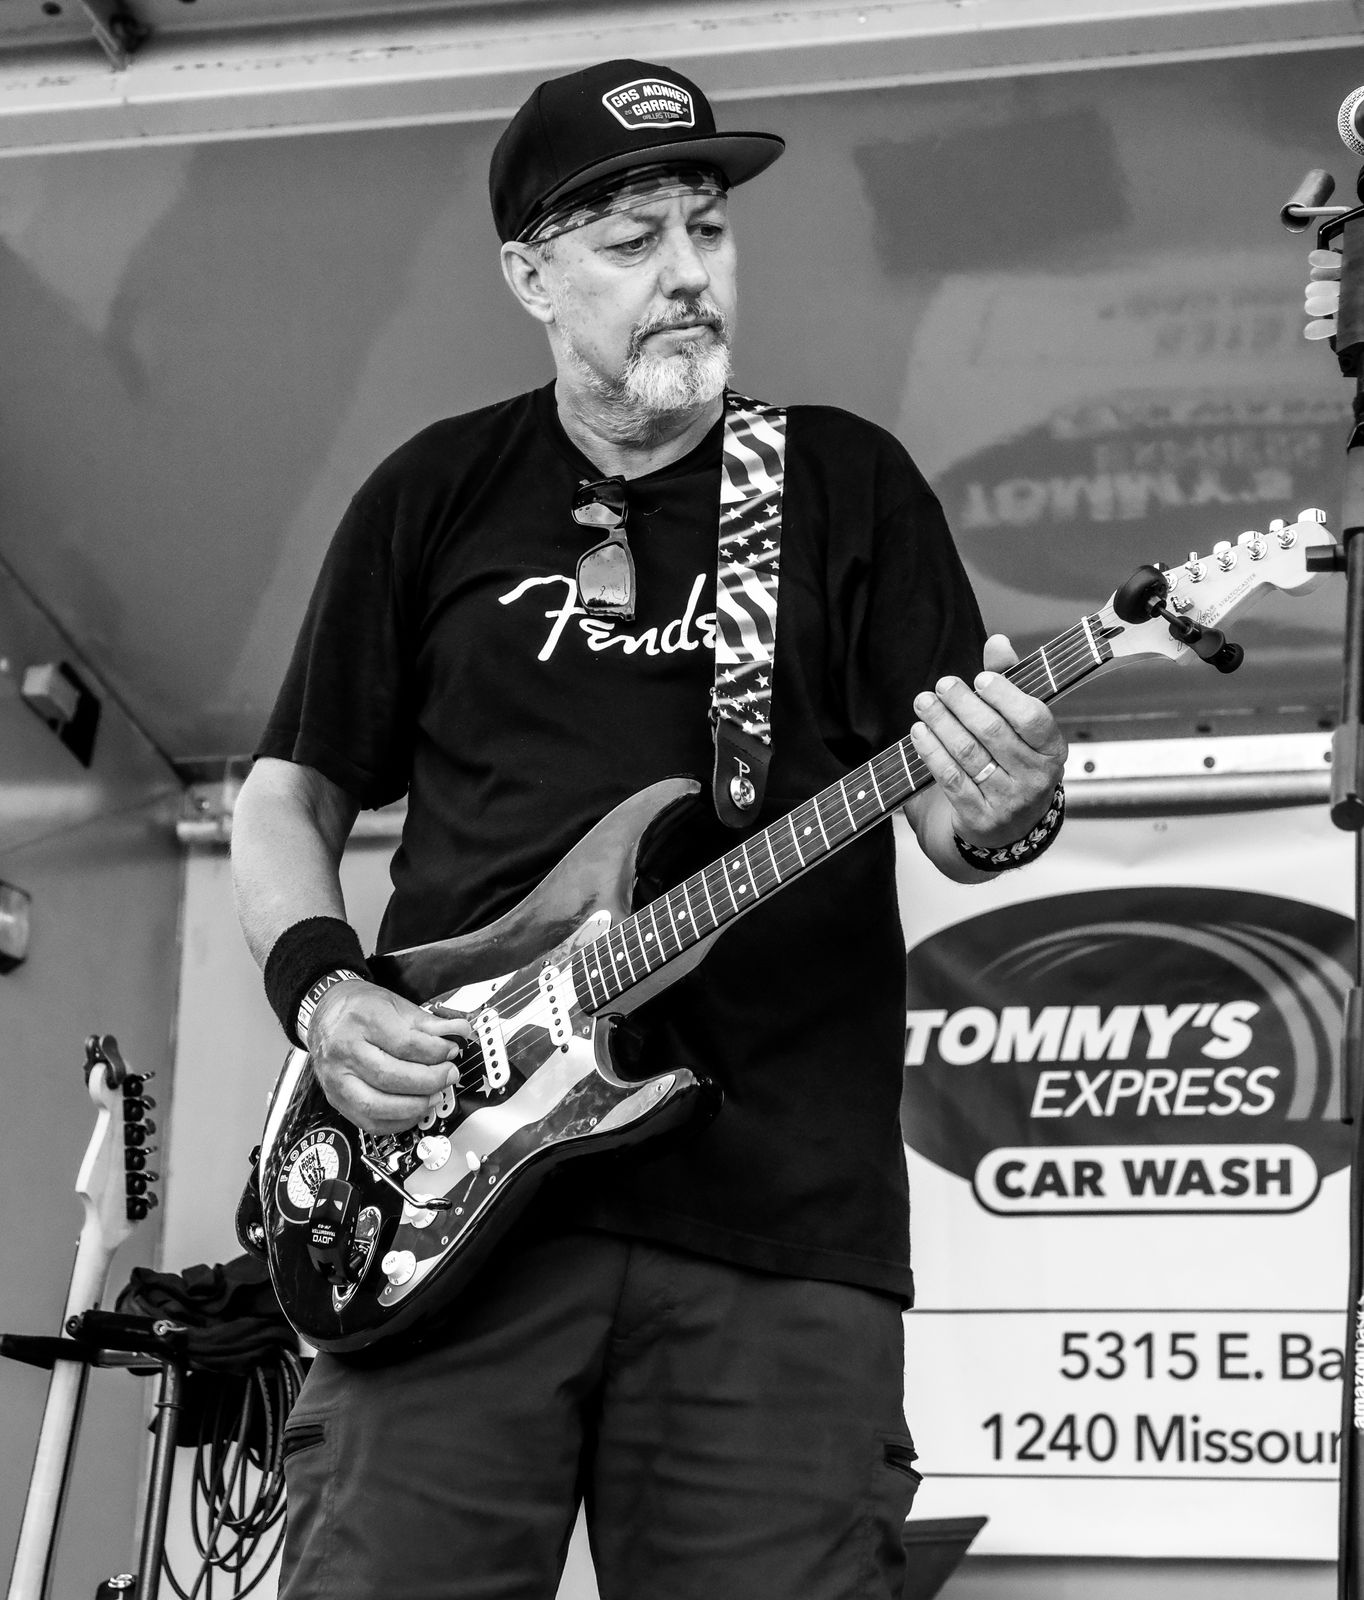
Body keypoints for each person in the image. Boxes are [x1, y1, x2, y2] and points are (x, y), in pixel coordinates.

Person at [231, 57, 1068, 1600]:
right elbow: (288, 792)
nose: (688, 272)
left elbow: (958, 819)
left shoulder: (843, 484)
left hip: (777, 1226)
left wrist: (1011, 803)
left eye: (707, 228)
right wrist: (323, 989)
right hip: (445, 1210)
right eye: (631, 240)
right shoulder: (432, 491)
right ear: (528, 277)